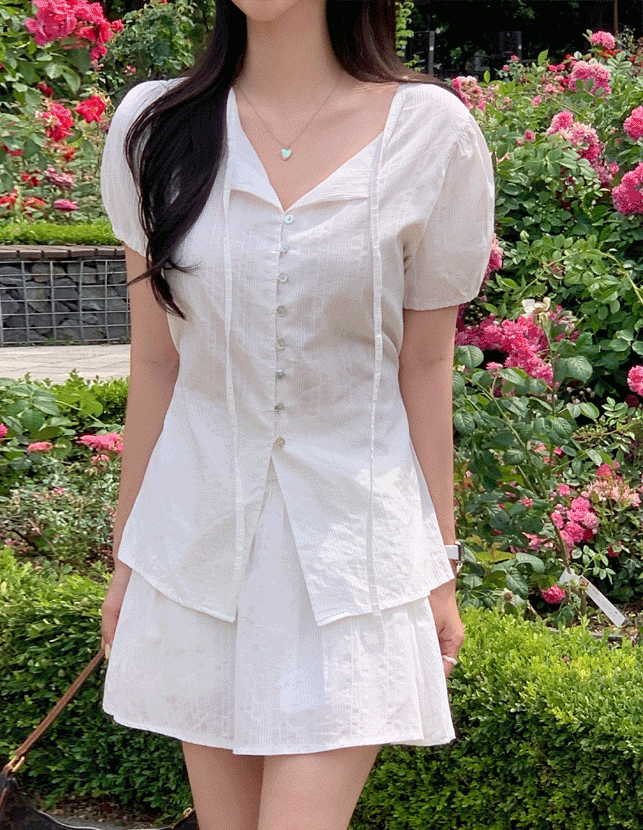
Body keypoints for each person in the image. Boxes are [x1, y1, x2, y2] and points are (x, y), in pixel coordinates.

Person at [98, 1, 495, 828]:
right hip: (197, 552)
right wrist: (127, 557)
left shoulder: (430, 134)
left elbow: (424, 368)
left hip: (357, 562)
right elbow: (157, 362)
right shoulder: (156, 127)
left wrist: (440, 563)